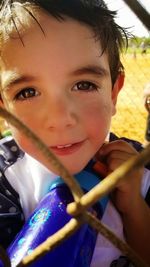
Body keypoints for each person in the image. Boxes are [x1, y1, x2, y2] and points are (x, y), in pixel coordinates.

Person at [0, 0, 149, 266]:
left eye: (83, 85)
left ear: (113, 92)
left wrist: (135, 207)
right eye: (27, 93)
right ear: (3, 108)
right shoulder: (5, 177)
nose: (60, 119)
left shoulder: (140, 168)